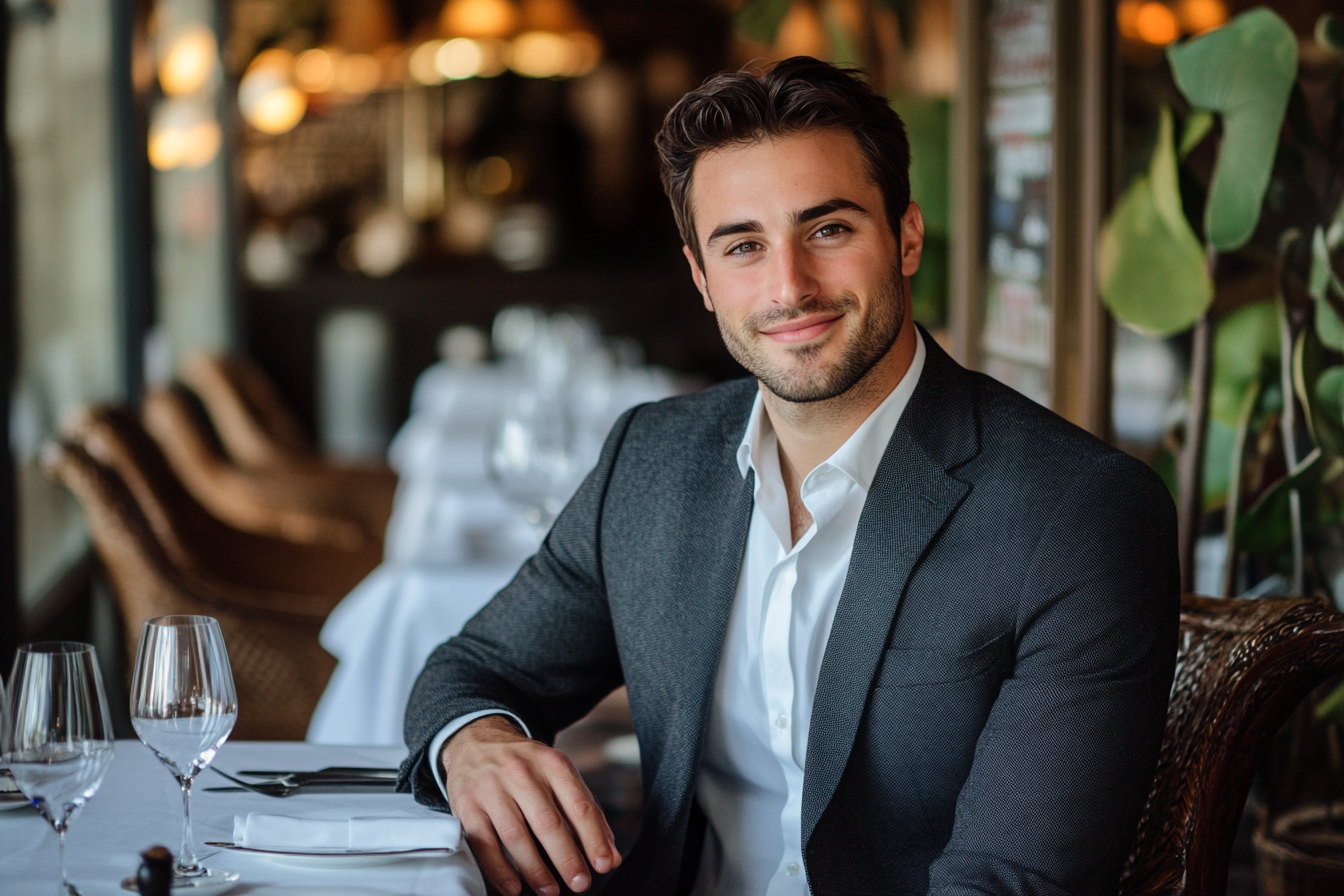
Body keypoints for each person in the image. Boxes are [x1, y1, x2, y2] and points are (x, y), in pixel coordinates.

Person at [399, 56, 1179, 896]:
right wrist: (475, 743)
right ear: (701, 278)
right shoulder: (654, 461)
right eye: (743, 246)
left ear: (906, 236)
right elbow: (472, 667)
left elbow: (1014, 882)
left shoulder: (1079, 511)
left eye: (830, 229)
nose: (789, 286)